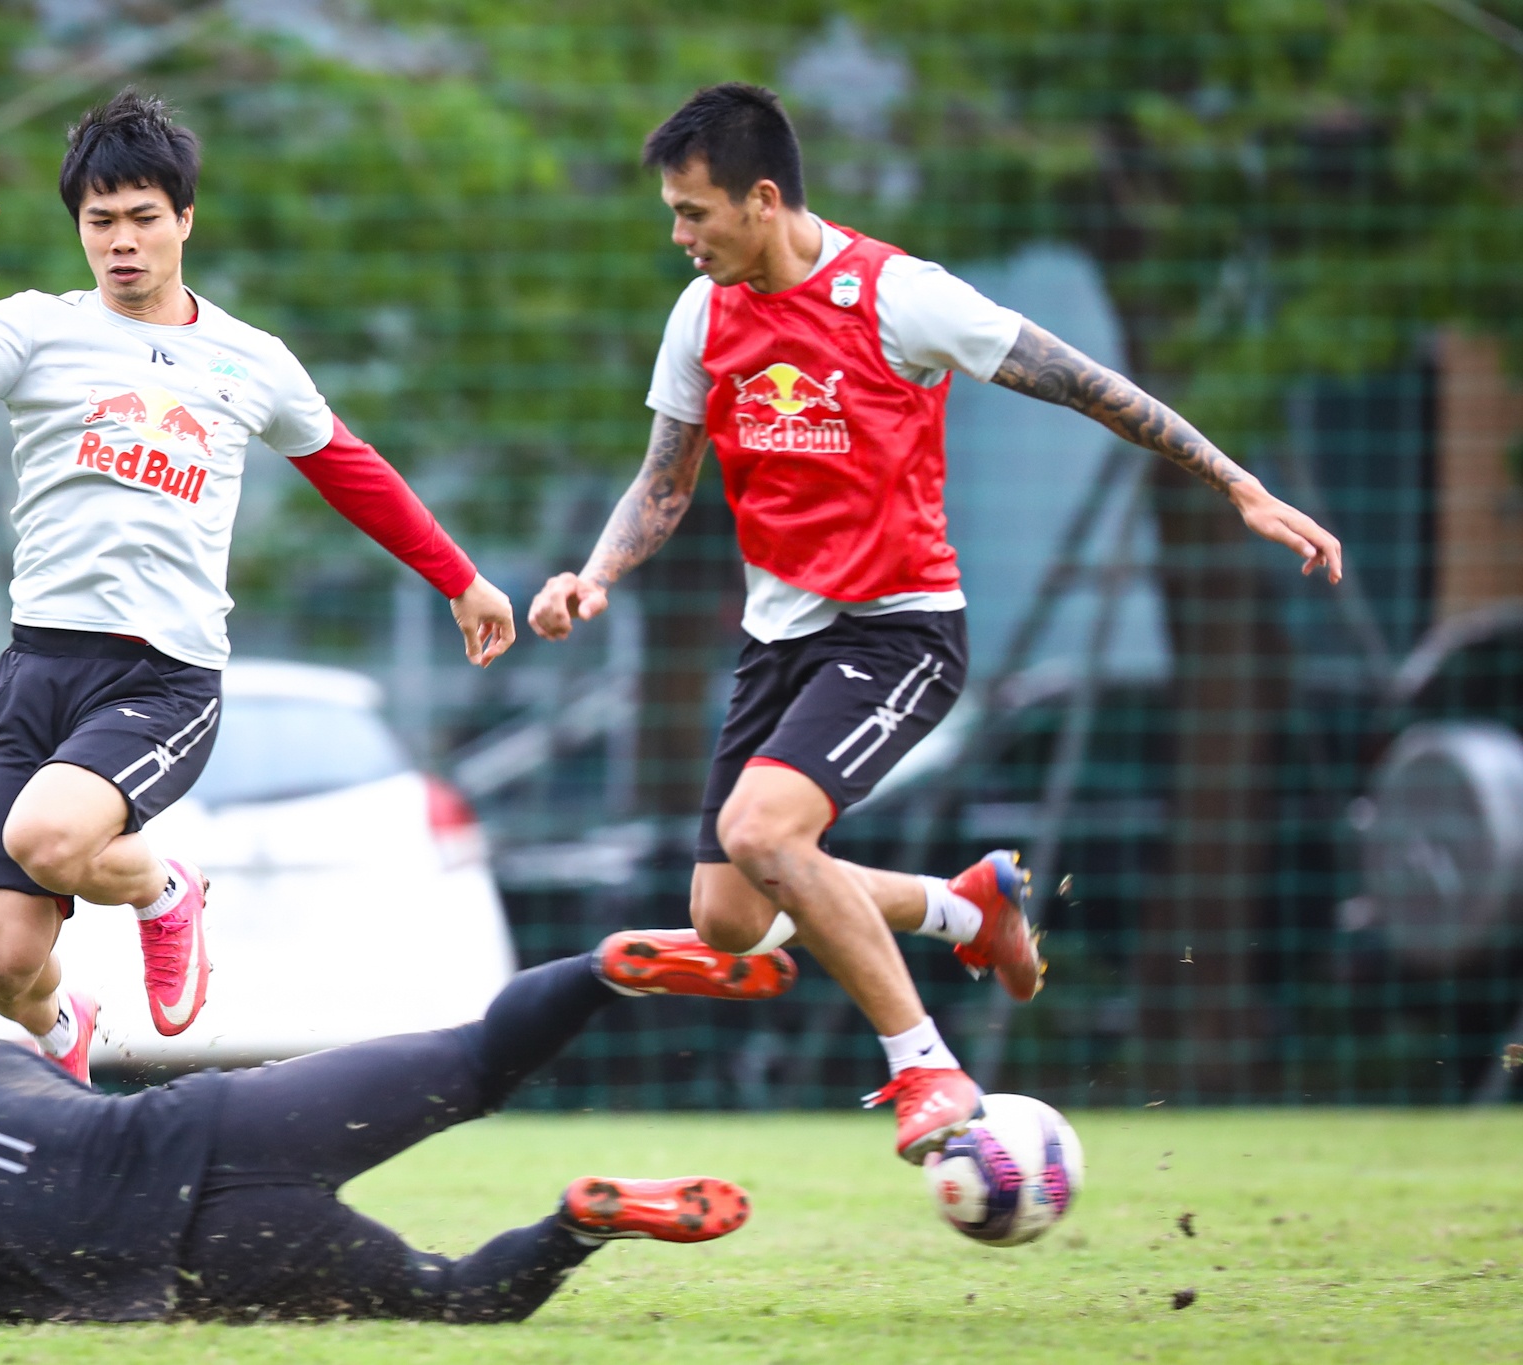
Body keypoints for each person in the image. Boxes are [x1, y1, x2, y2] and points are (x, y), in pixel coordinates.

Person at [528, 84, 1344, 1164]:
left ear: (761, 200)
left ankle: (926, 1068)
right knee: (727, 912)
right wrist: (593, 575)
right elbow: (665, 485)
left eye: (694, 213)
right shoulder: (702, 315)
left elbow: (1086, 384)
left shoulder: (897, 296)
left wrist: (1234, 482)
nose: (679, 236)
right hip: (778, 645)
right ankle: (967, 911)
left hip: (896, 634)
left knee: (765, 836)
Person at [0, 89, 516, 1078]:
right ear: (77, 227)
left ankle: (163, 890)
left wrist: (460, 579)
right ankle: (61, 1030)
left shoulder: (248, 359)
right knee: (2, 963)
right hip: (38, 666)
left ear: (183, 221)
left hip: (159, 678)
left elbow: (350, 469)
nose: (121, 242)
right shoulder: (35, 329)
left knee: (44, 834)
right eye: (100, 222)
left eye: (142, 219)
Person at [0, 928, 791, 1324]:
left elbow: (1, 1313)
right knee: (477, 1059)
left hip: (205, 1258)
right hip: (227, 1117)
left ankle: (578, 1223)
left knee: (459, 1297)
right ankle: (605, 974)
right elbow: (50, 1075)